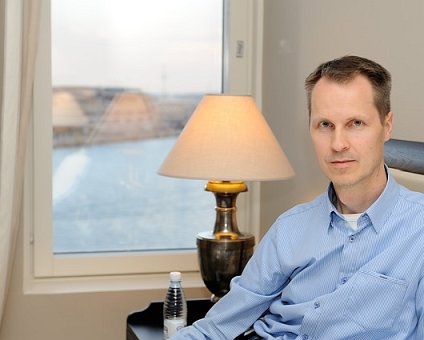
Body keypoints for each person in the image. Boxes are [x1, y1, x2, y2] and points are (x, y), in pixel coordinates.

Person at [172, 56, 424, 339]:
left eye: (356, 123)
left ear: (387, 126)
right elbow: (215, 328)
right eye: (325, 125)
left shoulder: (418, 231)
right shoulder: (289, 228)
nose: (338, 144)